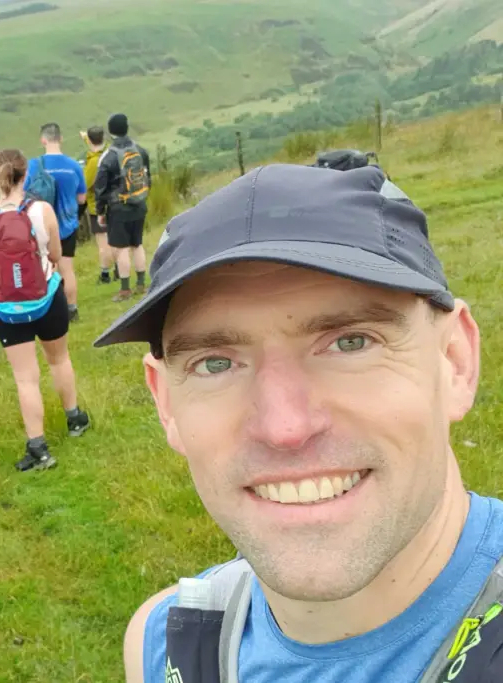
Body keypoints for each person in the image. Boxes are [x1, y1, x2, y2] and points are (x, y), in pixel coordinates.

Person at [92, 165, 503, 682]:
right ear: (167, 403)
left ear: (455, 360)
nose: (285, 427)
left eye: (350, 342)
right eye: (215, 363)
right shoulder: (165, 643)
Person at [0, 149, 91, 472]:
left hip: (8, 308)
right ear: (26, 176)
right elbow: (54, 254)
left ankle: (38, 447)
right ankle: (75, 418)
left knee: (26, 379)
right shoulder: (42, 211)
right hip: (48, 297)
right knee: (59, 359)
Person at [24, 123, 87, 322]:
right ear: (60, 139)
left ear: (43, 140)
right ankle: (72, 309)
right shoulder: (73, 166)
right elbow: (82, 199)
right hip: (67, 225)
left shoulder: (34, 166)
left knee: (47, 269)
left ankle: (50, 309)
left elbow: (23, 196)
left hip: (41, 225)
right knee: (67, 269)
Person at [94, 113, 151, 302]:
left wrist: (101, 211)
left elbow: (100, 188)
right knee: (138, 244)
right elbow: (147, 178)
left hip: (119, 208)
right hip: (139, 204)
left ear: (110, 131)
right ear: (127, 127)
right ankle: (142, 284)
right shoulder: (141, 151)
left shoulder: (108, 157)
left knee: (122, 249)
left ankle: (125, 289)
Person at [81, 126, 117, 285]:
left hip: (98, 207)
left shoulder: (93, 162)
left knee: (103, 243)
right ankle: (118, 269)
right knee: (115, 240)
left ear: (90, 140)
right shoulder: (110, 154)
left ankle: (105, 274)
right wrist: (85, 137)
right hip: (114, 204)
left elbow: (85, 184)